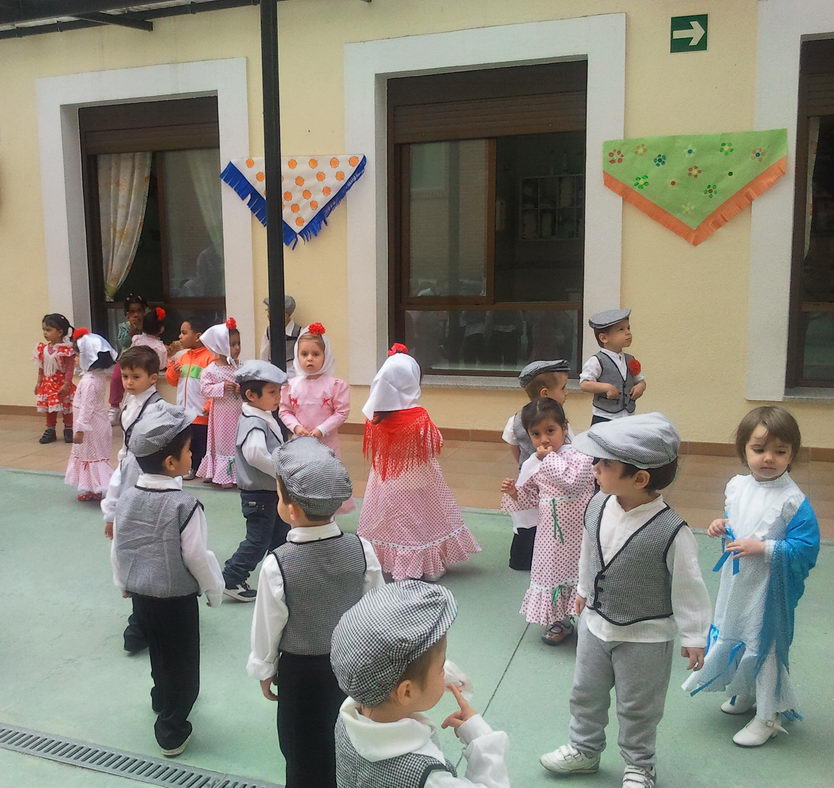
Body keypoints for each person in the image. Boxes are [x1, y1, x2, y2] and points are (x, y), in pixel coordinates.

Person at [540, 413, 710, 788]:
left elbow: (689, 586)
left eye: (605, 464)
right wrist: (583, 590)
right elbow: (589, 552)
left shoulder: (672, 531)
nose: (595, 468)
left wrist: (695, 635)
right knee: (585, 692)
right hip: (596, 625)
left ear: (640, 478)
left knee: (639, 708)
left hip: (646, 636)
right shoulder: (599, 505)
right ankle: (584, 749)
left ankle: (639, 765)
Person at [247, 437, 384, 788]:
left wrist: (265, 667)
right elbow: (376, 609)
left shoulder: (278, 565)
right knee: (346, 739)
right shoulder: (361, 548)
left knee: (300, 747)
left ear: (291, 509)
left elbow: (269, 626)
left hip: (300, 672)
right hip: (352, 665)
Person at [682, 406, 820, 747]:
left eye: (780, 451)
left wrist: (765, 548)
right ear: (744, 449)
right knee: (736, 631)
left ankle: (767, 716)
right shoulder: (738, 486)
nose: (768, 458)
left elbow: (806, 547)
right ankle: (744, 691)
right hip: (737, 583)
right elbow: (738, 519)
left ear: (793, 454)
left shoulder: (793, 500)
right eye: (759, 450)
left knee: (764, 643)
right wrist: (723, 525)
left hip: (768, 589)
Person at [111, 401, 224, 758]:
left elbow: (119, 546)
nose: (193, 455)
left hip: (141, 595)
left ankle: (160, 698)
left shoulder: (127, 499)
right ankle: (172, 728)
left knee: (159, 654)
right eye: (189, 450)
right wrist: (213, 589)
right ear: (171, 463)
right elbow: (196, 556)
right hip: (176, 599)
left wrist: (123, 582)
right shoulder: (184, 505)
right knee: (183, 664)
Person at [330, 580, 511, 787]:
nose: (446, 673)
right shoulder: (427, 777)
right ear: (406, 692)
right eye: (442, 667)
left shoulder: (348, 717)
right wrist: (483, 740)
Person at [358, 345, 480, 582]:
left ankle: (390, 562)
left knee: (392, 519)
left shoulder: (376, 415)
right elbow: (433, 445)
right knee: (419, 519)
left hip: (386, 481)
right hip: (419, 478)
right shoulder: (418, 417)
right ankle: (428, 567)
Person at [501, 398, 595, 645]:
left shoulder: (580, 455)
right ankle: (561, 621)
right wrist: (514, 493)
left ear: (564, 428)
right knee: (555, 574)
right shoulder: (535, 463)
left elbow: (573, 482)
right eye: (536, 434)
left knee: (584, 571)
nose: (544, 440)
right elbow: (531, 498)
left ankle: (589, 619)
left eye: (550, 431)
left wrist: (548, 460)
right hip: (550, 538)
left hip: (580, 533)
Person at [101, 345, 163, 653]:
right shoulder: (130, 405)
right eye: (125, 376)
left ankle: (144, 618)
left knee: (152, 548)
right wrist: (112, 509)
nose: (128, 382)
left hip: (153, 484)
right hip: (130, 480)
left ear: (153, 378)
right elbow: (126, 455)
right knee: (130, 548)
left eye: (135, 376)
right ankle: (140, 612)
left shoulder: (159, 411)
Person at [222, 360, 290, 602]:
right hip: (259, 495)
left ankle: (280, 576)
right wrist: (282, 471)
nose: (278, 397)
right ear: (251, 395)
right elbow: (255, 455)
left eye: (279, 391)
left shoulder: (262, 415)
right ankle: (231, 577)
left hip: (269, 492)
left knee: (280, 537)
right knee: (258, 540)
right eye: (272, 392)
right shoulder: (254, 422)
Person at [501, 359, 572, 570]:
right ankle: (524, 557)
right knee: (530, 516)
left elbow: (514, 446)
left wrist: (523, 464)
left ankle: (536, 555)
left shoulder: (515, 420)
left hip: (547, 478)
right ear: (545, 393)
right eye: (563, 388)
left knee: (539, 517)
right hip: (537, 479)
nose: (567, 392)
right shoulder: (555, 422)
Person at [279, 322, 354, 513]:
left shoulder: (335, 385)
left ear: (325, 356)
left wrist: (321, 429)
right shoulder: (291, 385)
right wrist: (296, 427)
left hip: (327, 443)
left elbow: (341, 412)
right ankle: (303, 514)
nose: (309, 359)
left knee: (326, 478)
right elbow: (285, 410)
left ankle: (328, 515)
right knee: (302, 478)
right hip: (300, 442)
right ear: (297, 356)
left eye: (316, 354)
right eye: (304, 354)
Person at [64, 329, 117, 501]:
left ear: (89, 356)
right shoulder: (96, 376)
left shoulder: (89, 382)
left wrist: (79, 429)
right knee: (90, 455)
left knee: (93, 456)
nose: (76, 358)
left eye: (78, 355)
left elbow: (86, 408)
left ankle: (97, 488)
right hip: (94, 423)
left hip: (91, 426)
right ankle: (92, 488)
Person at [166, 315, 216, 479]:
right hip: (184, 412)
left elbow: (214, 384)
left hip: (201, 412)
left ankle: (203, 468)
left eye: (184, 332)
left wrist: (209, 404)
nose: (180, 336)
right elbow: (172, 381)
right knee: (188, 444)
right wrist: (174, 369)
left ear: (198, 336)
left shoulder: (210, 358)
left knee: (202, 443)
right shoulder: (182, 357)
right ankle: (190, 468)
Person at [579, 309, 646, 425]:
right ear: (604, 338)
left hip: (628, 416)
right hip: (604, 417)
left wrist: (640, 387)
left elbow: (640, 381)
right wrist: (606, 387)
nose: (628, 333)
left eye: (628, 328)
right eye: (621, 329)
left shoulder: (630, 359)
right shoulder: (597, 361)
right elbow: (584, 384)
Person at [196, 318, 241, 488]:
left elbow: (248, 385)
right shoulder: (211, 370)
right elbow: (204, 389)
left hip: (238, 411)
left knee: (237, 439)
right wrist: (221, 387)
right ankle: (221, 474)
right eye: (232, 344)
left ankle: (235, 474)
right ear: (221, 346)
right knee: (222, 442)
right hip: (221, 413)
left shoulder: (240, 367)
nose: (237, 348)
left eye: (238, 344)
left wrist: (241, 389)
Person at [34, 313, 76, 444]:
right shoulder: (43, 349)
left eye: (48, 330)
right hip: (47, 384)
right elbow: (41, 367)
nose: (45, 333)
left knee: (66, 408)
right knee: (50, 409)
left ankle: (68, 429)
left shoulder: (66, 350)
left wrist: (67, 384)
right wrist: (38, 382)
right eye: (44, 330)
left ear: (60, 332)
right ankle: (50, 429)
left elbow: (69, 368)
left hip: (61, 383)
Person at [109, 293, 148, 424]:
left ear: (144, 311)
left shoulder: (148, 324)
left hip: (144, 357)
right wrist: (131, 332)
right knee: (116, 378)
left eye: (139, 311)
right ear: (127, 314)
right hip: (126, 357)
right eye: (132, 312)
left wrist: (141, 329)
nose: (136, 315)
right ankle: (114, 407)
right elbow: (123, 343)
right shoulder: (124, 326)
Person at [260, 294, 301, 374]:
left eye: (271, 312)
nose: (268, 315)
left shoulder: (298, 332)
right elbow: (263, 357)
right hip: (272, 375)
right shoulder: (268, 331)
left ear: (284, 314)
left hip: (292, 376)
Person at [130, 306, 168, 372]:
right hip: (150, 378)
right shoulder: (160, 348)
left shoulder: (136, 339)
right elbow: (162, 366)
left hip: (134, 374)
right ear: (161, 329)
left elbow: (130, 356)